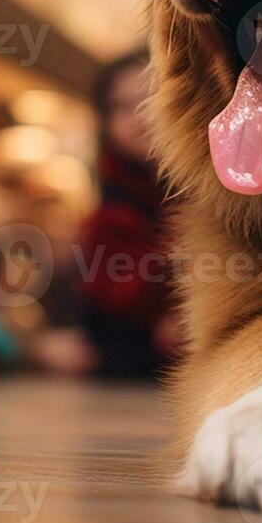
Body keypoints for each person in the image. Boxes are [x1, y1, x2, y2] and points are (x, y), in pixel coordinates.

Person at [79, 51, 181, 377]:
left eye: (150, 97)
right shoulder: (111, 212)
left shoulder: (213, 194)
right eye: (122, 107)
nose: (139, 116)